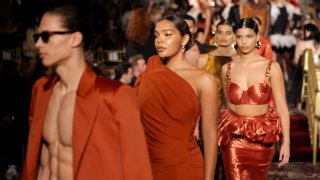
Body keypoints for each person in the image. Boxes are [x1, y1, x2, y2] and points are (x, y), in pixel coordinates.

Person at [21, 4, 152, 180]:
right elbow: (40, 160)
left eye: (46, 36)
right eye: (37, 37)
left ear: (75, 39)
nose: (37, 44)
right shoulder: (41, 90)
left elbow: (138, 171)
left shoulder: (115, 96)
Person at [135, 15, 218, 180]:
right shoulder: (150, 71)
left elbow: (210, 135)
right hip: (148, 166)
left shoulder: (203, 79)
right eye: (157, 35)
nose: (160, 40)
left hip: (185, 167)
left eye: (167, 34)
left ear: (185, 39)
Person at [218, 18, 290, 179]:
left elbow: (282, 108)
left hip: (262, 137)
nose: (243, 41)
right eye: (239, 36)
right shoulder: (226, 68)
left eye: (249, 36)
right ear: (235, 38)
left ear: (258, 37)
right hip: (233, 137)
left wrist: (287, 143)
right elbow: (226, 105)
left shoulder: (272, 67)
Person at [198, 18, 237, 108]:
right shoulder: (203, 59)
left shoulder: (241, 59)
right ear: (215, 34)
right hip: (208, 107)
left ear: (235, 35)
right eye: (220, 33)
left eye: (228, 33)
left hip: (235, 110)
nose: (223, 36)